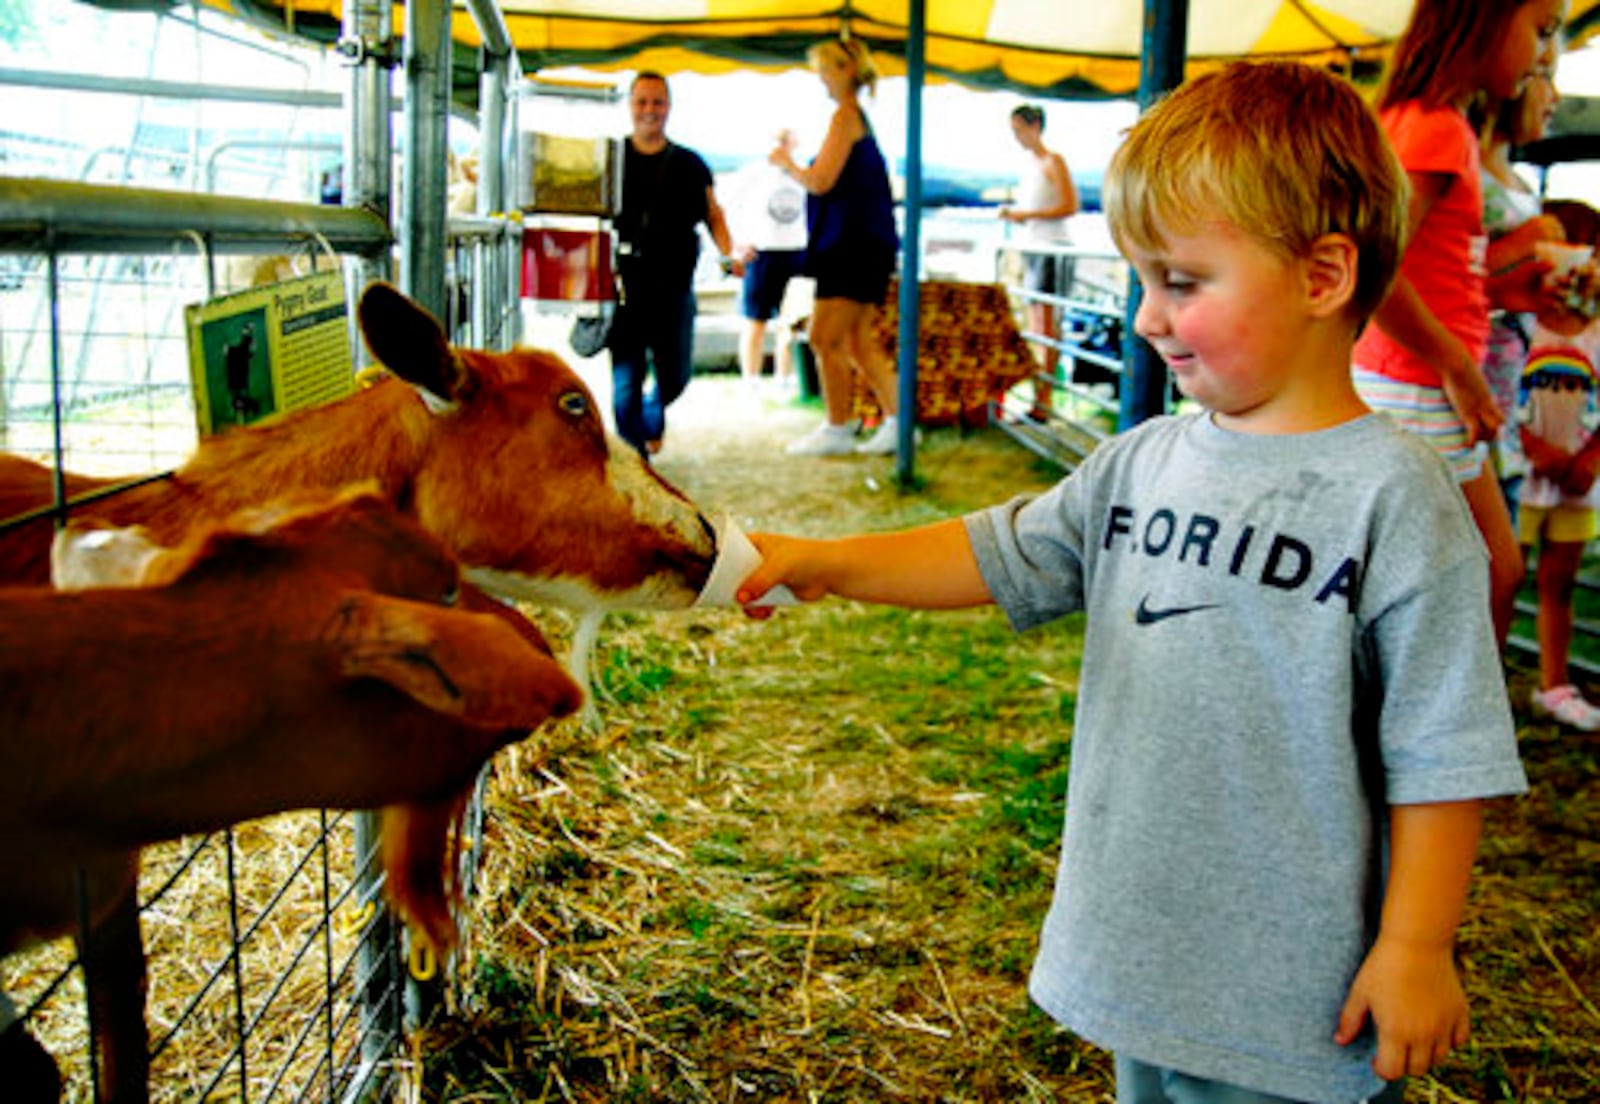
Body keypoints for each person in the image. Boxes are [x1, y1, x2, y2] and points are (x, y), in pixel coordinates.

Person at [737, 61, 1527, 1103]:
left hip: (1296, 995)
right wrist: (827, 562)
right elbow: (997, 549)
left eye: (1181, 282)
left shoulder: (1396, 498)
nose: (1148, 319)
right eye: (1143, 281)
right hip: (1142, 950)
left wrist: (1416, 946)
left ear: (1323, 276)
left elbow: (1442, 749)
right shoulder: (1141, 459)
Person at [1350, 0, 1566, 648]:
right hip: (1419, 387)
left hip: (1419, 380)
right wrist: (1457, 367)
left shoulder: (1423, 122)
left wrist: (1506, 291)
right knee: (1492, 573)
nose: (1543, 57)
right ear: (1486, 19)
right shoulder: (1435, 128)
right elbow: (1372, 265)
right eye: (1542, 30)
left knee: (1463, 575)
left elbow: (1430, 268)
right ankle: (1451, 735)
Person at [771, 37, 905, 457]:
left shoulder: (845, 115)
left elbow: (820, 180)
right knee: (858, 341)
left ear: (846, 71)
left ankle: (838, 427)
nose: (822, 78)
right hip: (867, 244)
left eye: (827, 69)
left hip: (850, 245)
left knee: (824, 337)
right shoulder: (856, 116)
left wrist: (787, 163)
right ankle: (895, 424)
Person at [611, 71, 739, 457]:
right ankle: (637, 461)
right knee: (624, 387)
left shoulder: (690, 164)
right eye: (642, 101)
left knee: (676, 378)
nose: (650, 110)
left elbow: (714, 215)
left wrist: (728, 253)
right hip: (622, 289)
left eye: (658, 102)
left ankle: (652, 419)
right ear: (630, 106)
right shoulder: (611, 158)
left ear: (669, 107)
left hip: (674, 289)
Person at [1516, 202, 1600, 729]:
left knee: (1560, 579)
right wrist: (1532, 447)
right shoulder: (1519, 321)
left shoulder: (1594, 329)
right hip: (1523, 472)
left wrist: (1589, 456)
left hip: (1578, 477)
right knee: (1501, 574)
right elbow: (1500, 391)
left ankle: (1554, 684)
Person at [1480, 65, 1567, 513]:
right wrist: (1521, 242)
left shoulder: (1520, 185)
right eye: (1544, 78)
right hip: (1464, 397)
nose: (1554, 96)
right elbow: (1429, 277)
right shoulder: (1467, 176)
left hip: (1507, 403)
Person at [1001, 103, 1080, 423]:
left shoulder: (1053, 161)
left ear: (1035, 128)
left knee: (1046, 326)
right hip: (1035, 246)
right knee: (1037, 325)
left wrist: (1025, 215)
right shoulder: (1032, 166)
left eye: (1020, 129)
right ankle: (1039, 398)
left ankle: (1043, 401)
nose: (1017, 137)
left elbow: (1069, 205)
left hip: (1052, 248)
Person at [727, 127, 809, 394]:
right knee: (755, 319)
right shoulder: (753, 173)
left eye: (787, 140)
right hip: (762, 251)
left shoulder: (803, 173)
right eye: (778, 141)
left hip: (796, 250)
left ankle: (784, 377)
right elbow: (729, 208)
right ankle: (750, 379)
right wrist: (737, 243)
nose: (782, 146)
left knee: (790, 320)